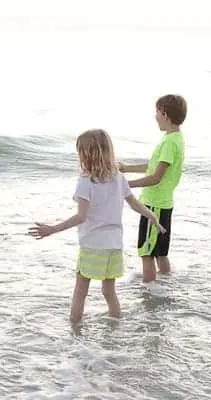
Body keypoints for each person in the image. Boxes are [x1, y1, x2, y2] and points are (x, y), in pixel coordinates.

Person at [28, 129, 166, 323]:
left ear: (85, 155)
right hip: (114, 245)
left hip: (93, 245)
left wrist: (52, 229)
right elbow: (134, 203)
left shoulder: (86, 181)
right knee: (109, 291)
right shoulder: (119, 178)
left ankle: (74, 328)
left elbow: (81, 217)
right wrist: (152, 217)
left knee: (81, 290)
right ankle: (115, 325)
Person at [119, 94, 186, 282]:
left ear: (165, 114)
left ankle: (150, 295)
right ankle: (165, 287)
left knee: (146, 254)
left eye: (156, 112)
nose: (155, 116)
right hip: (165, 203)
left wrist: (123, 184)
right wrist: (126, 168)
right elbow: (155, 166)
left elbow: (155, 178)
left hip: (153, 205)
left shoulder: (168, 142)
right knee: (161, 253)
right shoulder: (176, 139)